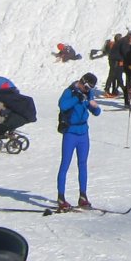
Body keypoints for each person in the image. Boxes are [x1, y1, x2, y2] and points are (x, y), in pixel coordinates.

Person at [55, 73, 103, 210]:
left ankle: (83, 196)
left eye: (90, 89)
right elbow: (63, 105)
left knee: (82, 164)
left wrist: (94, 106)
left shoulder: (88, 93)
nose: (87, 90)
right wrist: (77, 98)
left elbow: (97, 112)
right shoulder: (70, 91)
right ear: (82, 82)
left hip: (83, 133)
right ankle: (61, 198)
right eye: (86, 87)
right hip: (70, 132)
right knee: (65, 164)